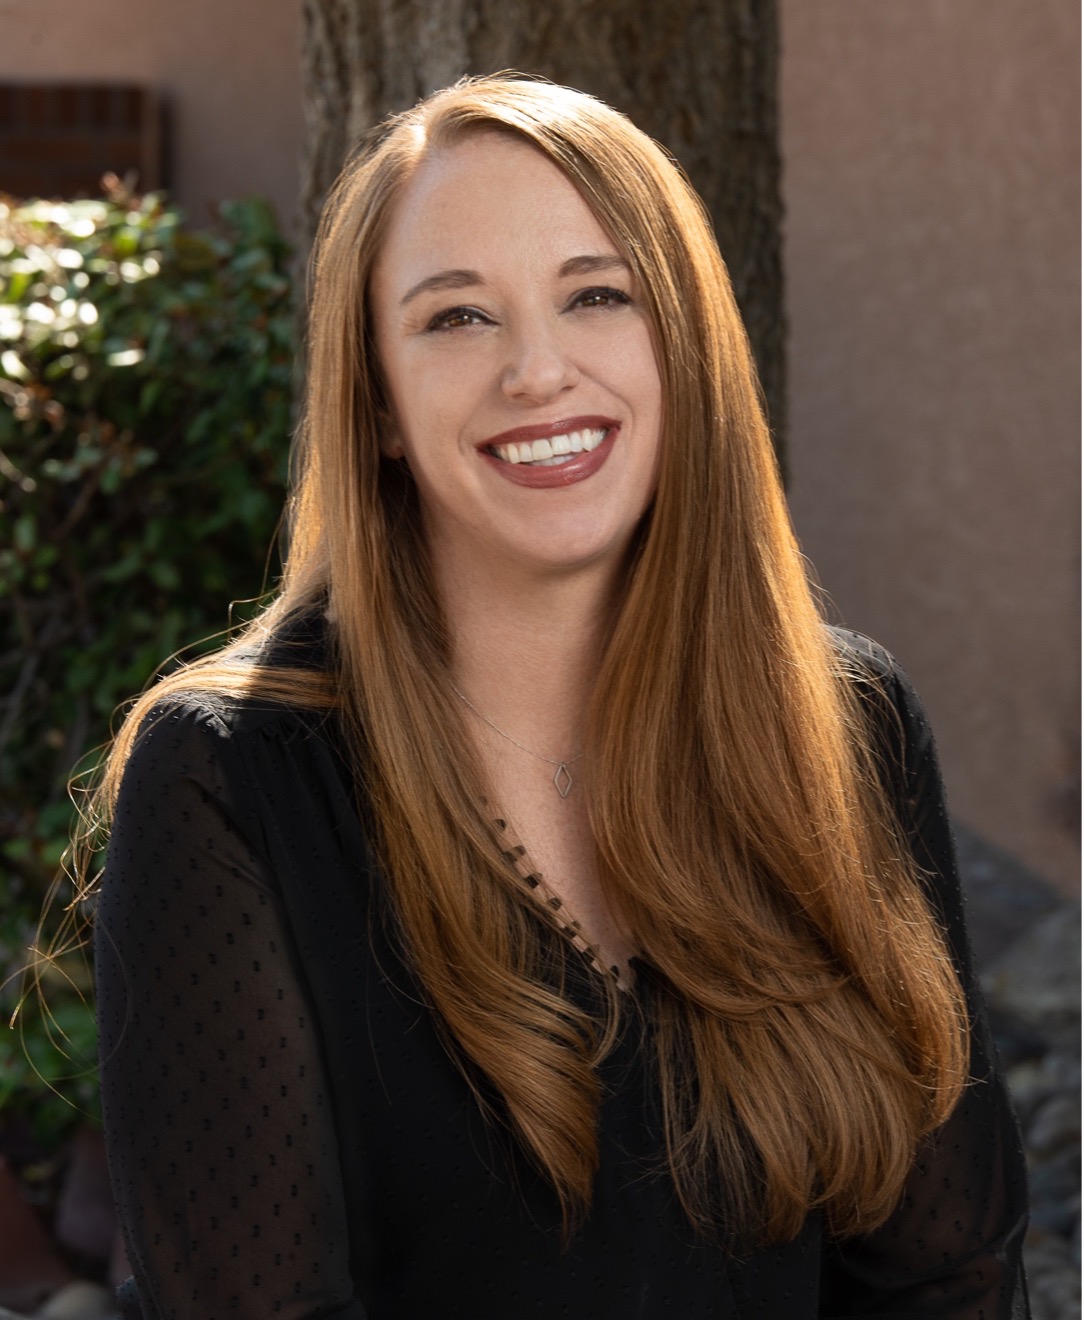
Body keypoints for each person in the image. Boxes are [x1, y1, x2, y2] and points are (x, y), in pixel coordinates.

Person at [90, 75, 1029, 1318]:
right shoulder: (228, 781)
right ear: (374, 401)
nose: (538, 370)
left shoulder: (842, 728)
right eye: (456, 318)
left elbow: (945, 1284)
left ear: (683, 346)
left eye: (597, 295)